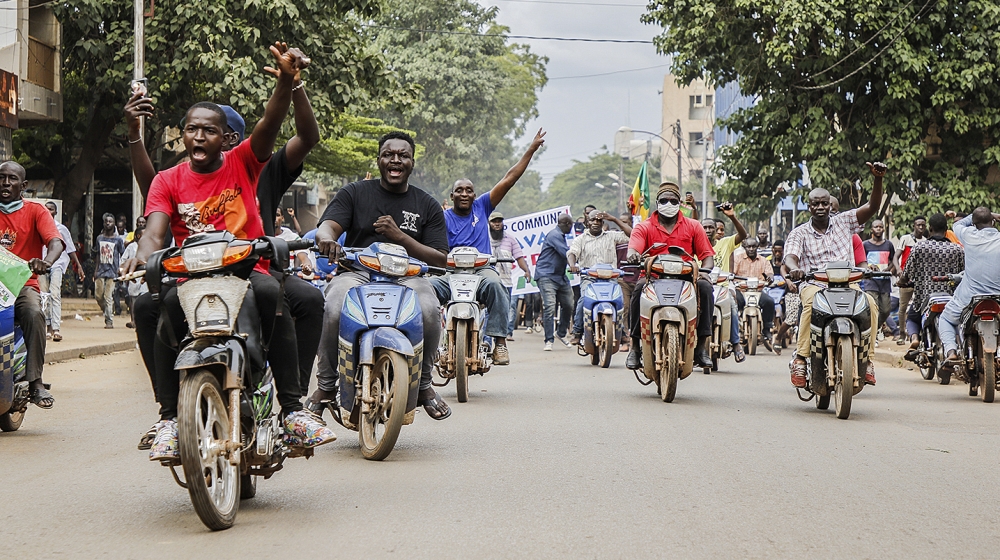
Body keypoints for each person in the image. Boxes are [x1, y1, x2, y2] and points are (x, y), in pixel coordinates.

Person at [121, 42, 335, 460]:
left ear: (226, 138)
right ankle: (168, 416)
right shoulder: (168, 180)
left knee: (278, 293)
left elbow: (273, 122)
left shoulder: (245, 162)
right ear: (183, 135)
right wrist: (143, 255)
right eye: (192, 129)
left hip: (246, 269)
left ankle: (292, 409)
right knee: (150, 305)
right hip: (191, 275)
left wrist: (289, 83)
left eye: (210, 130)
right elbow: (154, 231)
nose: (199, 136)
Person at [308, 131, 454, 421]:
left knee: (428, 309)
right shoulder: (355, 193)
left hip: (408, 277)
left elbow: (440, 258)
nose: (395, 160)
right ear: (379, 160)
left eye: (403, 155)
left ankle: (423, 385)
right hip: (357, 273)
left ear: (412, 163)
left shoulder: (426, 205)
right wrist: (327, 239)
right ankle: (325, 387)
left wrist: (400, 236)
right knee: (334, 305)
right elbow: (328, 227)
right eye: (388, 154)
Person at [430, 128, 546, 365]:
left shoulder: (482, 207)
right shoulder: (442, 217)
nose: (464, 194)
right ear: (451, 196)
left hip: (481, 270)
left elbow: (509, 178)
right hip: (450, 272)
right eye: (459, 190)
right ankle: (428, 342)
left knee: (496, 285)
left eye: (469, 190)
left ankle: (499, 342)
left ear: (475, 195)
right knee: (426, 290)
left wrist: (531, 150)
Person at [783, 162, 885, 388]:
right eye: (815, 203)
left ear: (831, 205)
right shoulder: (799, 233)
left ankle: (867, 360)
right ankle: (801, 357)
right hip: (816, 285)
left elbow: (873, 206)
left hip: (848, 284)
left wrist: (878, 179)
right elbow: (790, 257)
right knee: (810, 303)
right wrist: (795, 268)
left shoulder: (845, 222)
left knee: (870, 303)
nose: (820, 207)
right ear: (808, 207)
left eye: (824, 203)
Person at [625, 181, 716, 369]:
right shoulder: (644, 227)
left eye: (673, 201)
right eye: (664, 200)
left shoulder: (693, 226)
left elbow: (707, 257)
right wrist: (633, 255)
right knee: (638, 290)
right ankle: (634, 347)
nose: (669, 204)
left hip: (686, 278)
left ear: (680, 203)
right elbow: (633, 249)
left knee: (706, 288)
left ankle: (701, 347)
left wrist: (705, 271)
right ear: (657, 203)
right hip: (652, 278)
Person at [0, 161, 64, 409]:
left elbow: (55, 242)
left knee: (34, 313)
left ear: (23, 185)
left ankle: (35, 381)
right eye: (2, 178)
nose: (6, 183)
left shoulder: (36, 211)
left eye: (12, 179)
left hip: (21, 285)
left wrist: (45, 262)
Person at [939, 208, 1000, 372]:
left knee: (945, 319)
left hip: (969, 298)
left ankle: (951, 351)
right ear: (992, 222)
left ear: (974, 223)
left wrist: (972, 217)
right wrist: (995, 216)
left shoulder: (968, 235)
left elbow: (959, 222)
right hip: (998, 297)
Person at [898, 213, 963, 360]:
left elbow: (906, 273)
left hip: (924, 299)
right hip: (950, 299)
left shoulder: (919, 247)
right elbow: (962, 274)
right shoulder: (957, 249)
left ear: (930, 228)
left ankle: (915, 338)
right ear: (947, 230)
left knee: (911, 318)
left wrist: (902, 281)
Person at [567, 209, 632, 344]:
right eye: (592, 220)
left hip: (610, 278)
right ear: (587, 222)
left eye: (598, 220)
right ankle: (577, 331)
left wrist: (614, 219)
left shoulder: (611, 236)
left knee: (620, 301)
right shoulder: (581, 239)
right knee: (583, 299)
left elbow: (632, 234)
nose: (595, 223)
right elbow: (572, 253)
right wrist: (573, 265)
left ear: (603, 222)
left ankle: (623, 332)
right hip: (589, 279)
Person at [701, 202, 748, 362]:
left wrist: (732, 216)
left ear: (716, 230)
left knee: (732, 306)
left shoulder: (725, 243)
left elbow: (743, 235)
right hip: (701, 286)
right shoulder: (695, 245)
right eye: (704, 227)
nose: (707, 230)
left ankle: (735, 343)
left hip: (722, 287)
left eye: (710, 227)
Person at [39, 201, 83, 342]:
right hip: (41, 265)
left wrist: (79, 266)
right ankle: (47, 327)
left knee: (55, 293)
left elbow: (70, 249)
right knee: (44, 296)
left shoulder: (61, 229)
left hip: (57, 264)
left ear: (55, 212)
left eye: (51, 209)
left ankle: (56, 329)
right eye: (46, 208)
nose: (48, 211)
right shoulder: (38, 226)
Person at [535, 214, 575, 351]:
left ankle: (561, 333)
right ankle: (549, 340)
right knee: (550, 306)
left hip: (560, 276)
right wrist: (575, 264)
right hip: (546, 275)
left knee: (569, 304)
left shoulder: (561, 235)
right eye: (571, 225)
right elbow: (565, 252)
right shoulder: (554, 235)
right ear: (567, 224)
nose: (572, 228)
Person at [488, 211, 531, 339]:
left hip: (505, 281)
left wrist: (526, 271)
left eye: (499, 221)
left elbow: (519, 257)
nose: (497, 224)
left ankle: (506, 333)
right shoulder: (483, 237)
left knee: (508, 309)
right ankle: (487, 339)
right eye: (494, 221)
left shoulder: (510, 239)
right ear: (489, 223)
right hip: (488, 281)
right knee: (487, 311)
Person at [733, 237, 776, 352]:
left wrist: (770, 278)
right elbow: (731, 273)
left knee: (769, 302)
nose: (751, 249)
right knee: (736, 302)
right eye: (748, 246)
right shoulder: (737, 259)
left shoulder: (764, 261)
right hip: (741, 290)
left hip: (758, 291)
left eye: (753, 247)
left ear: (757, 247)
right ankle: (736, 329)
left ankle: (767, 328)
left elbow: (770, 273)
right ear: (744, 247)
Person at [895, 215, 927, 344]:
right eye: (918, 225)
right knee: (902, 307)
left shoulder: (925, 241)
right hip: (906, 278)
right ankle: (902, 334)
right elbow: (896, 256)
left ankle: (917, 334)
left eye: (923, 225)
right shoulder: (906, 239)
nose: (920, 227)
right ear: (914, 225)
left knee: (921, 306)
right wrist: (898, 269)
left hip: (920, 280)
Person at [861, 219, 896, 336]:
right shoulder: (865, 244)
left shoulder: (888, 244)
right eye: (876, 227)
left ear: (883, 229)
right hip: (870, 282)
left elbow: (893, 260)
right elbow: (862, 261)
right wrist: (869, 267)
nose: (878, 229)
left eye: (881, 227)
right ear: (871, 229)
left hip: (885, 281)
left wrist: (889, 268)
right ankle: (872, 335)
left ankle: (875, 328)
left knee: (885, 310)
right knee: (873, 308)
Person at [95, 213, 124, 329]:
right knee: (98, 295)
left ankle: (109, 320)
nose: (108, 223)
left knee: (108, 296)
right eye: (106, 221)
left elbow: (123, 254)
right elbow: (97, 254)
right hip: (101, 270)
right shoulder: (99, 238)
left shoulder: (118, 239)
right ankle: (106, 310)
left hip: (113, 271)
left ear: (114, 224)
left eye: (110, 221)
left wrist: (121, 269)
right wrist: (95, 270)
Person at [121, 225, 148, 329]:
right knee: (133, 301)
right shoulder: (131, 247)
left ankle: (141, 321)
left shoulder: (149, 248)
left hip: (144, 280)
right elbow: (123, 261)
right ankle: (133, 321)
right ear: (138, 236)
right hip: (134, 279)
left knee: (144, 300)